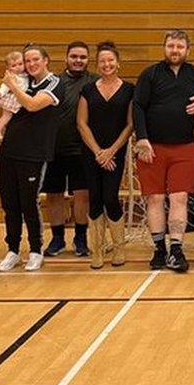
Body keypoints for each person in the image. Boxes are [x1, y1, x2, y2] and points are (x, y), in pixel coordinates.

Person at [134, 31, 194, 273]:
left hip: (184, 147)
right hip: (152, 147)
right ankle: (159, 249)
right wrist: (142, 138)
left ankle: (176, 249)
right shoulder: (150, 74)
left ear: (187, 50)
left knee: (179, 197)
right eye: (171, 46)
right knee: (155, 198)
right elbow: (138, 106)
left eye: (180, 46)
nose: (175, 50)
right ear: (164, 47)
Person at [0, 44, 65, 272]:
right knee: (10, 203)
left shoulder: (54, 83)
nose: (31, 64)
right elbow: (5, 104)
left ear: (46, 60)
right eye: (27, 61)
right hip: (9, 151)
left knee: (29, 202)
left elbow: (33, 105)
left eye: (36, 59)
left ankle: (36, 249)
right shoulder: (22, 81)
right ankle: (13, 250)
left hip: (34, 154)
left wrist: (13, 86)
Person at [77, 42, 134, 269]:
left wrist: (111, 151)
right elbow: (82, 123)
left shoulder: (129, 89)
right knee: (95, 199)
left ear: (117, 62)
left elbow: (130, 124)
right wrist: (98, 152)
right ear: (97, 64)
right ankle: (97, 250)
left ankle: (119, 247)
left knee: (110, 197)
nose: (106, 64)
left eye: (110, 60)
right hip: (91, 152)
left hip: (116, 153)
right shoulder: (88, 90)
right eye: (102, 61)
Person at [43, 41, 98, 257]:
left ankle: (81, 238)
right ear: (66, 58)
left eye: (82, 57)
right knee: (54, 194)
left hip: (82, 149)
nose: (78, 60)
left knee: (82, 195)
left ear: (88, 60)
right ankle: (57, 239)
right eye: (74, 56)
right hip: (54, 148)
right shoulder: (54, 82)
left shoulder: (94, 82)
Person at [0, 51, 26, 140]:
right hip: (11, 100)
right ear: (8, 67)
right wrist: (0, 93)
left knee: (10, 118)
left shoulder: (25, 75)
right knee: (7, 116)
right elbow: (5, 85)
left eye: (20, 64)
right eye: (13, 66)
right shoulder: (12, 76)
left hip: (19, 100)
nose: (18, 67)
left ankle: (2, 127)